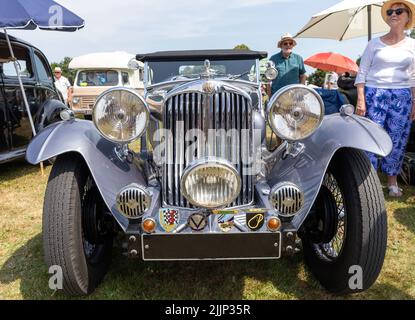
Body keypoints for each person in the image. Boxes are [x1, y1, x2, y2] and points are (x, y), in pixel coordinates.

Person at [355, 0, 415, 197]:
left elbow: (414, 76)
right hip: (375, 94)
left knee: (397, 139)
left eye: (399, 11)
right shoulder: (373, 44)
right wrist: (361, 100)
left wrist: (414, 101)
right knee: (371, 138)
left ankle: (392, 182)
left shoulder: (413, 45)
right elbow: (361, 73)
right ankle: (368, 183)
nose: (393, 14)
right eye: (390, 12)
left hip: (402, 95)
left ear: (408, 17)